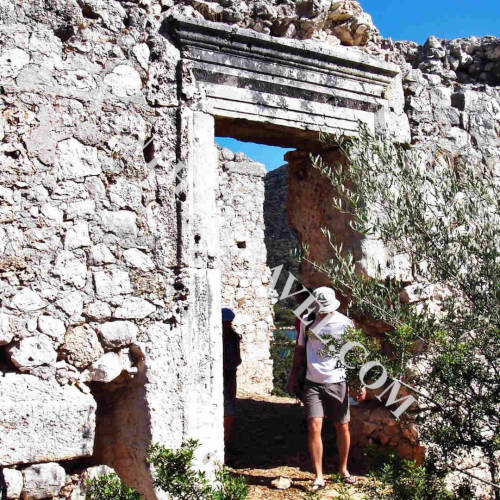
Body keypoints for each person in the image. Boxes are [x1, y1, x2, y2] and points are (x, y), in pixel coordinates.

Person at [287, 287, 366, 491]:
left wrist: (359, 382)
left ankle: (343, 469)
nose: (323, 311)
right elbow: (300, 350)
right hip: (313, 382)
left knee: (343, 427)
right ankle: (319, 476)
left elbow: (355, 355)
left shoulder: (345, 324)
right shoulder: (307, 321)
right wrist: (293, 375)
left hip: (338, 381)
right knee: (314, 426)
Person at [222, 308, 241, 447]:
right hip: (227, 374)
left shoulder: (233, 338)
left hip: (229, 374)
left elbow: (237, 358)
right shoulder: (233, 337)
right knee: (229, 410)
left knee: (230, 409)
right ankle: (225, 442)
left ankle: (226, 441)